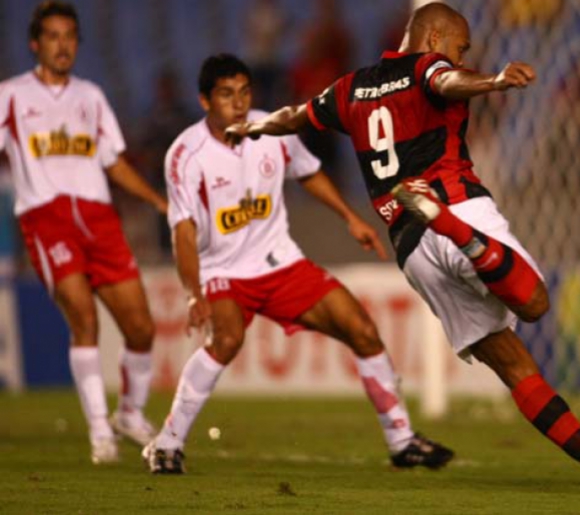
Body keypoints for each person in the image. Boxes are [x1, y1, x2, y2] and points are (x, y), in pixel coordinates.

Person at [227, 3, 580, 496]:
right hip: (454, 205)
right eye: (460, 49)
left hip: (411, 249)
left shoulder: (349, 87)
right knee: (534, 302)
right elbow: (444, 83)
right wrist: (494, 80)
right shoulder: (428, 66)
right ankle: (454, 228)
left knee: (512, 365)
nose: (462, 57)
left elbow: (295, 116)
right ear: (435, 36)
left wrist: (252, 127)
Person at [145, 54, 453, 474]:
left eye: (244, 92)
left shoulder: (271, 129)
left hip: (282, 264)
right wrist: (192, 292)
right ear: (205, 102)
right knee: (227, 339)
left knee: (361, 329)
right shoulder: (186, 154)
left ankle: (402, 441)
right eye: (225, 94)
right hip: (224, 272)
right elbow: (182, 231)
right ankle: (167, 443)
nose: (237, 103)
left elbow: (308, 172)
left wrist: (350, 218)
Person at [0, 0, 167, 463]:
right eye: (53, 36)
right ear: (36, 44)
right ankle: (99, 432)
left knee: (141, 326)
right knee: (84, 318)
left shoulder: (90, 96)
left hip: (98, 218)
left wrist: (155, 199)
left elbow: (112, 160)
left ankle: (129, 414)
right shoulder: (11, 94)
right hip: (46, 218)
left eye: (70, 36)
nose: (62, 45)